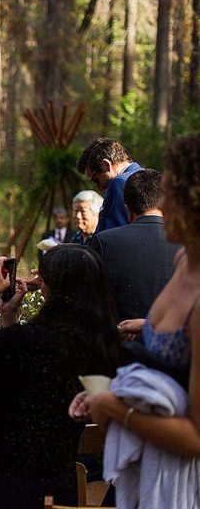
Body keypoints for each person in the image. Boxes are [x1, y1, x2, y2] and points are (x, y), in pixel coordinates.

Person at [73, 134, 200, 503]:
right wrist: (149, 328)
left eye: (172, 193)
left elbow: (196, 438)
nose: (161, 203)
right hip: (148, 468)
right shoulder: (183, 260)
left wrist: (114, 408)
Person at [0, 246, 119, 508]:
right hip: (58, 481)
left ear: (52, 289)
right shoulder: (105, 344)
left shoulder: (28, 340)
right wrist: (10, 319)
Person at [90, 169, 179, 322]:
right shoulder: (188, 244)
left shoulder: (104, 241)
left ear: (127, 209)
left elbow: (92, 300)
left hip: (121, 340)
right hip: (178, 341)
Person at [76, 138, 143, 233]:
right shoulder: (148, 177)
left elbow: (115, 233)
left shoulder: (119, 183)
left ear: (106, 165)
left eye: (96, 180)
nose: (99, 188)